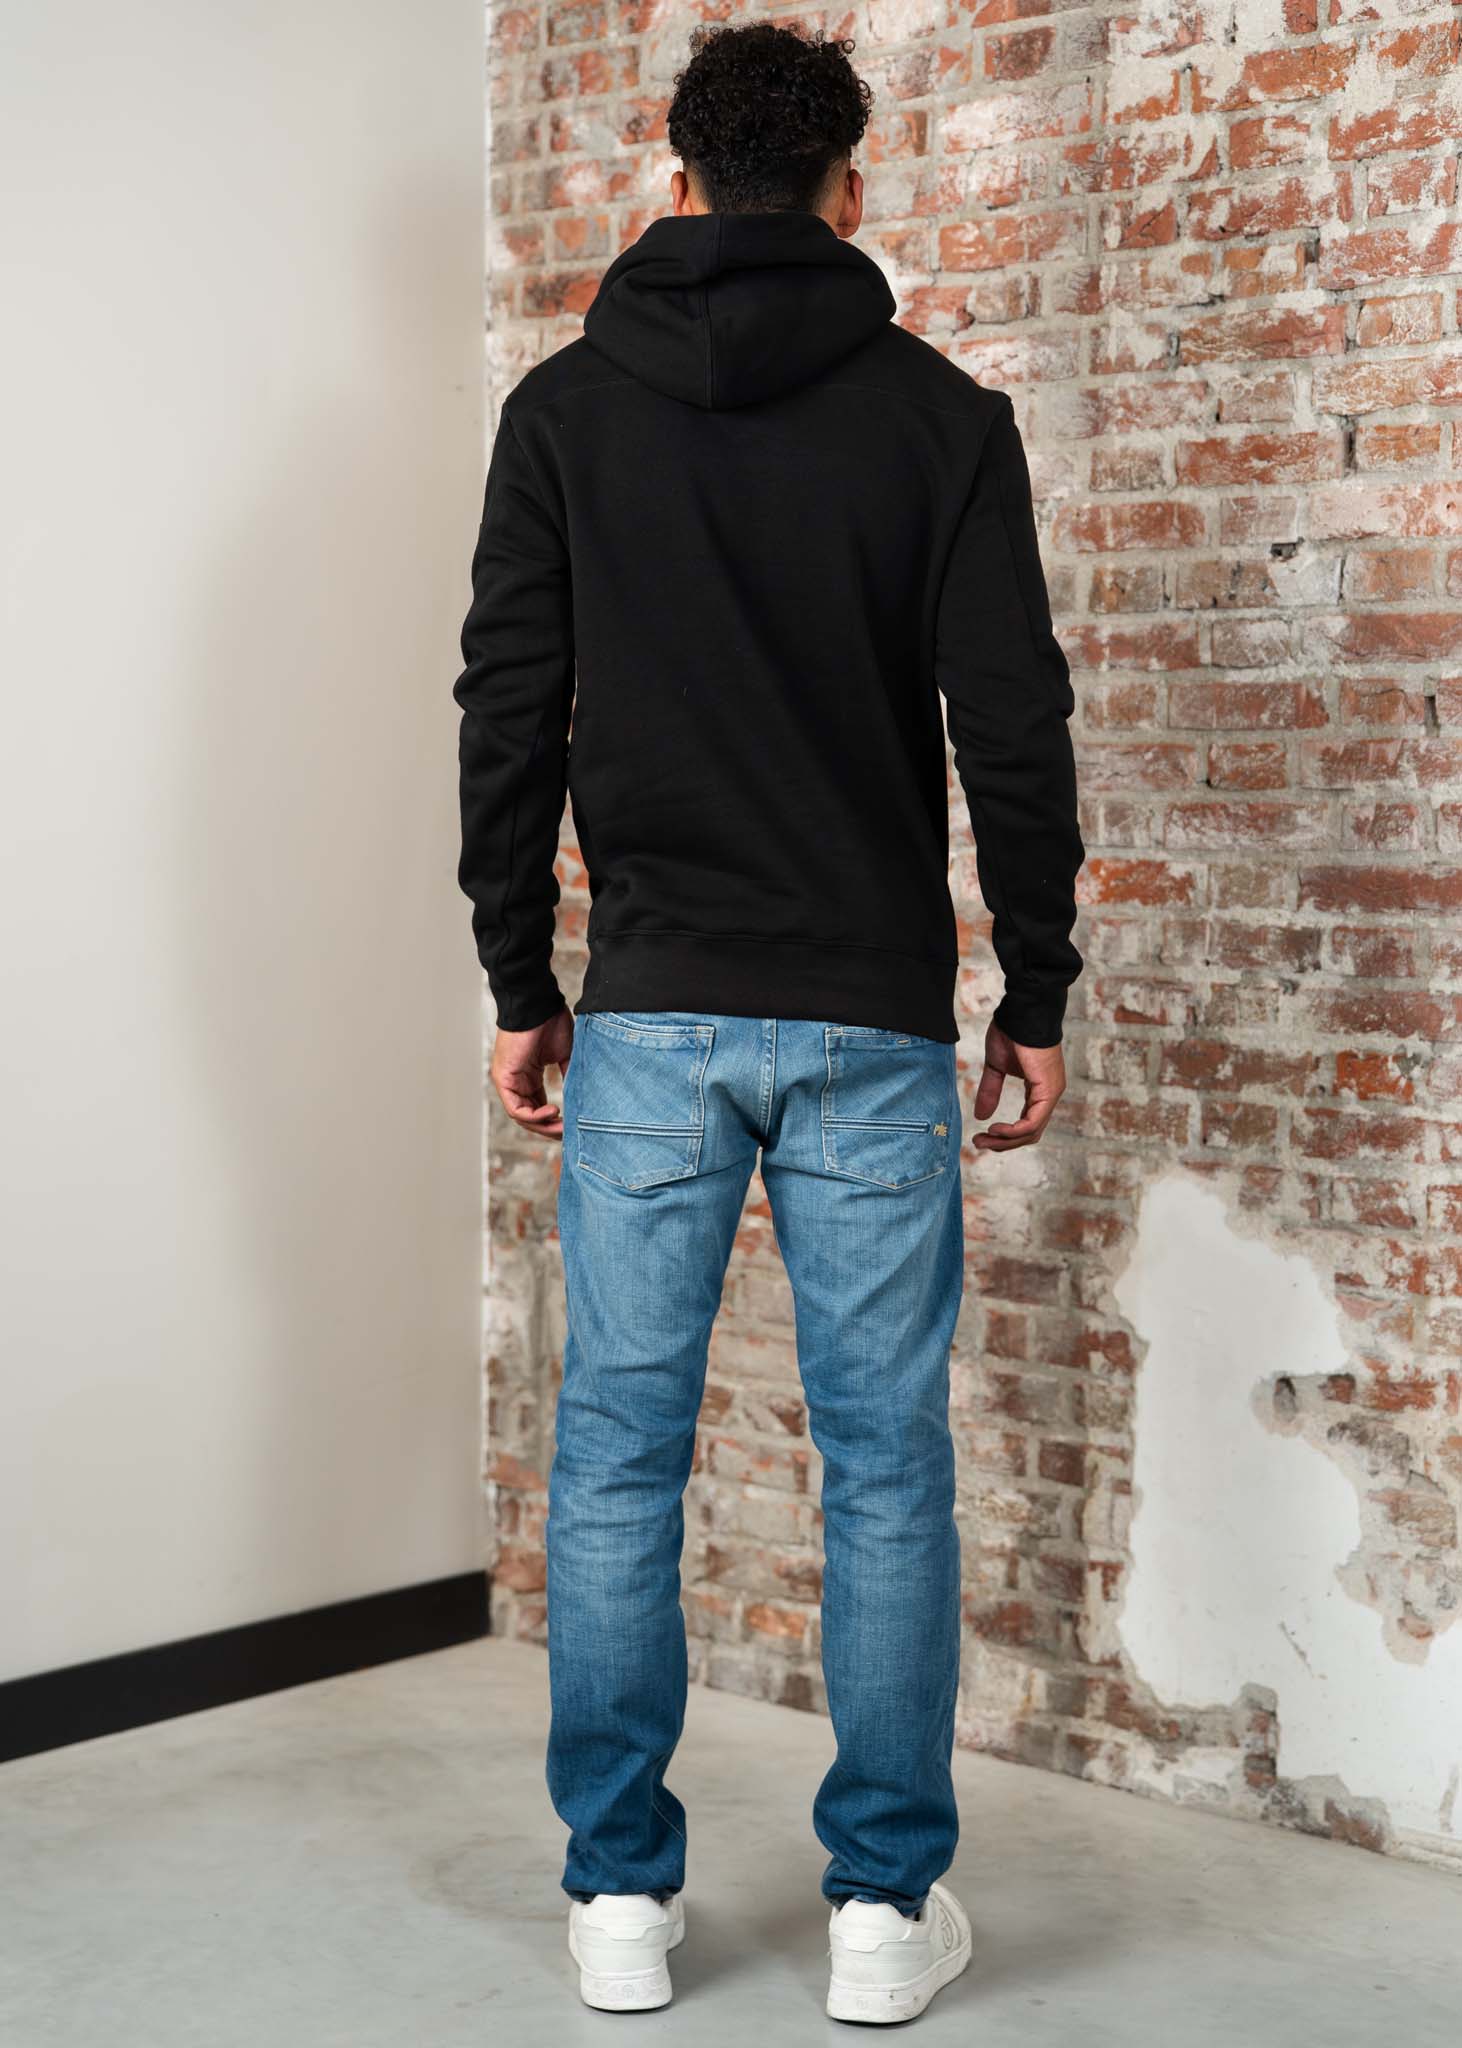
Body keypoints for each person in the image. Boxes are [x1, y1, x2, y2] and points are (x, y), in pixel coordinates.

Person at [452, 19, 1083, 2025]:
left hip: (647, 1014)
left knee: (613, 1462)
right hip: (866, 1019)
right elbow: (1013, 723)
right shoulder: (937, 420)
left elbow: (504, 712)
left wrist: (520, 981)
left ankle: (618, 1902)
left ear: (673, 175)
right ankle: (881, 1914)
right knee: (885, 1465)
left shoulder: (565, 410)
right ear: (846, 185)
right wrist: (1034, 986)